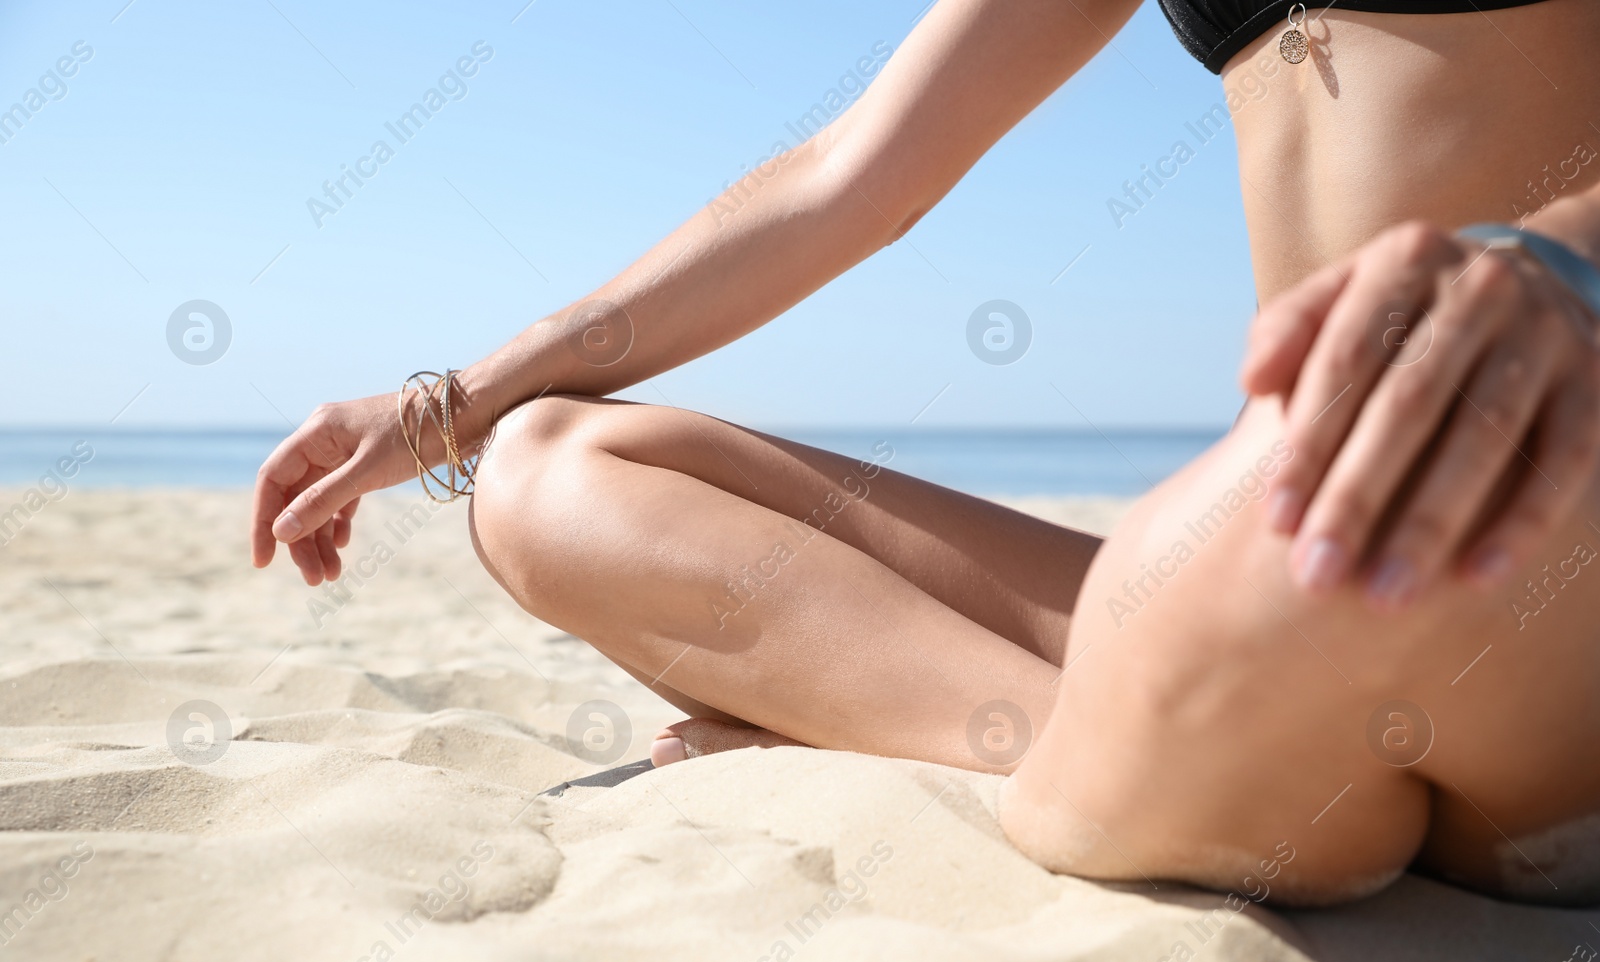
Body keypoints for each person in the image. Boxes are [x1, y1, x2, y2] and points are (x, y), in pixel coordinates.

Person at [252, 0, 1600, 906]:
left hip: (1531, 514)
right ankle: (1113, 754)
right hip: (1279, 526)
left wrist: (1563, 265)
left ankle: (983, 757)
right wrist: (450, 405)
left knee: (1283, 519)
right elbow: (849, 176)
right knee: (546, 476)